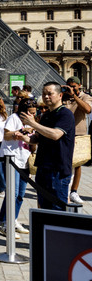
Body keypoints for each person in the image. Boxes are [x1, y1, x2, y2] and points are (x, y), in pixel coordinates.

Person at [21, 82, 75, 211]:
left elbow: (56, 135)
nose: (46, 97)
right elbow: (39, 138)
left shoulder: (65, 114)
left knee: (57, 209)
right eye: (44, 94)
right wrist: (24, 138)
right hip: (43, 167)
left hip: (58, 169)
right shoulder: (46, 115)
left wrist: (33, 124)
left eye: (50, 93)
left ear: (60, 95)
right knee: (44, 207)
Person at [0, 98, 37, 237]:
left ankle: (12, 219)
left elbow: (33, 143)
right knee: (12, 193)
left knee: (20, 194)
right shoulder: (13, 118)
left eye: (34, 113)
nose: (32, 115)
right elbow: (6, 135)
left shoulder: (33, 121)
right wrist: (21, 130)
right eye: (30, 113)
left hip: (24, 160)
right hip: (12, 158)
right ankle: (6, 223)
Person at [62, 76, 91, 205]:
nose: (71, 88)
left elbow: (87, 109)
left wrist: (75, 97)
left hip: (78, 133)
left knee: (77, 163)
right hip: (62, 133)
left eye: (74, 86)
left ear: (79, 86)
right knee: (63, 162)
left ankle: (74, 191)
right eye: (69, 86)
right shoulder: (63, 97)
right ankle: (63, 188)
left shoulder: (85, 96)